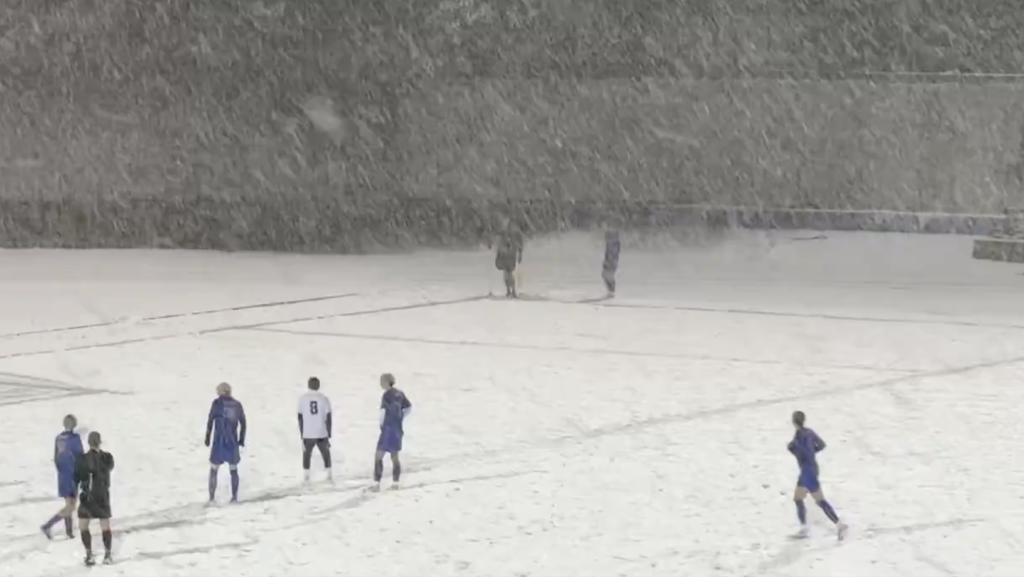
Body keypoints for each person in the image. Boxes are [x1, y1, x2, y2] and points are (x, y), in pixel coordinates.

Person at [788, 411, 848, 540]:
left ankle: (839, 525)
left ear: (793, 421)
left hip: (806, 473)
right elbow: (821, 445)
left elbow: (800, 453)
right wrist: (812, 453)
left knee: (819, 500)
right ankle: (804, 528)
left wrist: (792, 448)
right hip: (813, 468)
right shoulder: (809, 432)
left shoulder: (798, 437)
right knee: (798, 498)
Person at [75, 431, 114, 566]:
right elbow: (109, 468)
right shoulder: (107, 457)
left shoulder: (82, 459)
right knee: (105, 526)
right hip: (102, 495)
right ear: (100, 441)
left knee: (83, 526)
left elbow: (78, 476)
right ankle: (107, 555)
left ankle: (89, 554)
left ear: (89, 442)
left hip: (87, 497)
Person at [41, 414, 84, 540]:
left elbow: (56, 458)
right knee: (71, 506)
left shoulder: (59, 438)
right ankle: (48, 525)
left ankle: (69, 531)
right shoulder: (75, 438)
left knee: (68, 504)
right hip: (72, 475)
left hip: (62, 476)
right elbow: (80, 456)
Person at [205, 382, 246, 503]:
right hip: (232, 441)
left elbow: (210, 420)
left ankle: (211, 498)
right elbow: (243, 423)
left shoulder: (217, 403)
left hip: (219, 441)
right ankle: (234, 497)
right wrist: (241, 439)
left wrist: (207, 436)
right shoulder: (237, 405)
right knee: (233, 469)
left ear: (222, 392)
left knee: (214, 469)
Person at [373, 373, 412, 490]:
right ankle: (395, 482)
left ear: (386, 382)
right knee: (395, 456)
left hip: (387, 429)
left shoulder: (386, 395)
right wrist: (400, 417)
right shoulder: (400, 394)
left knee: (378, 456)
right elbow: (409, 407)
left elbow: (383, 412)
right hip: (397, 429)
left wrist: (381, 425)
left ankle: (376, 483)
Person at [298, 376, 333, 482]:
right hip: (321, 431)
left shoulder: (302, 398)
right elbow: (328, 417)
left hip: (308, 432)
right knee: (326, 453)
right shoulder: (323, 398)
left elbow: (300, 417)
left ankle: (306, 476)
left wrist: (302, 433)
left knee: (307, 454)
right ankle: (329, 474)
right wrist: (329, 433)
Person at [494, 220, 524, 298]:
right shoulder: (506, 232)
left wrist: (520, 253)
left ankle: (511, 290)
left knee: (509, 272)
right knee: (508, 272)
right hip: (507, 254)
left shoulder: (513, 232)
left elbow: (519, 243)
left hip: (509, 254)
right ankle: (510, 290)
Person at [602, 228, 621, 297]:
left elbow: (612, 252)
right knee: (606, 275)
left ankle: (611, 291)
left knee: (607, 275)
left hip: (611, 261)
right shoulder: (612, 242)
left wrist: (610, 260)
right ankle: (611, 290)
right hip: (611, 261)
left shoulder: (612, 243)